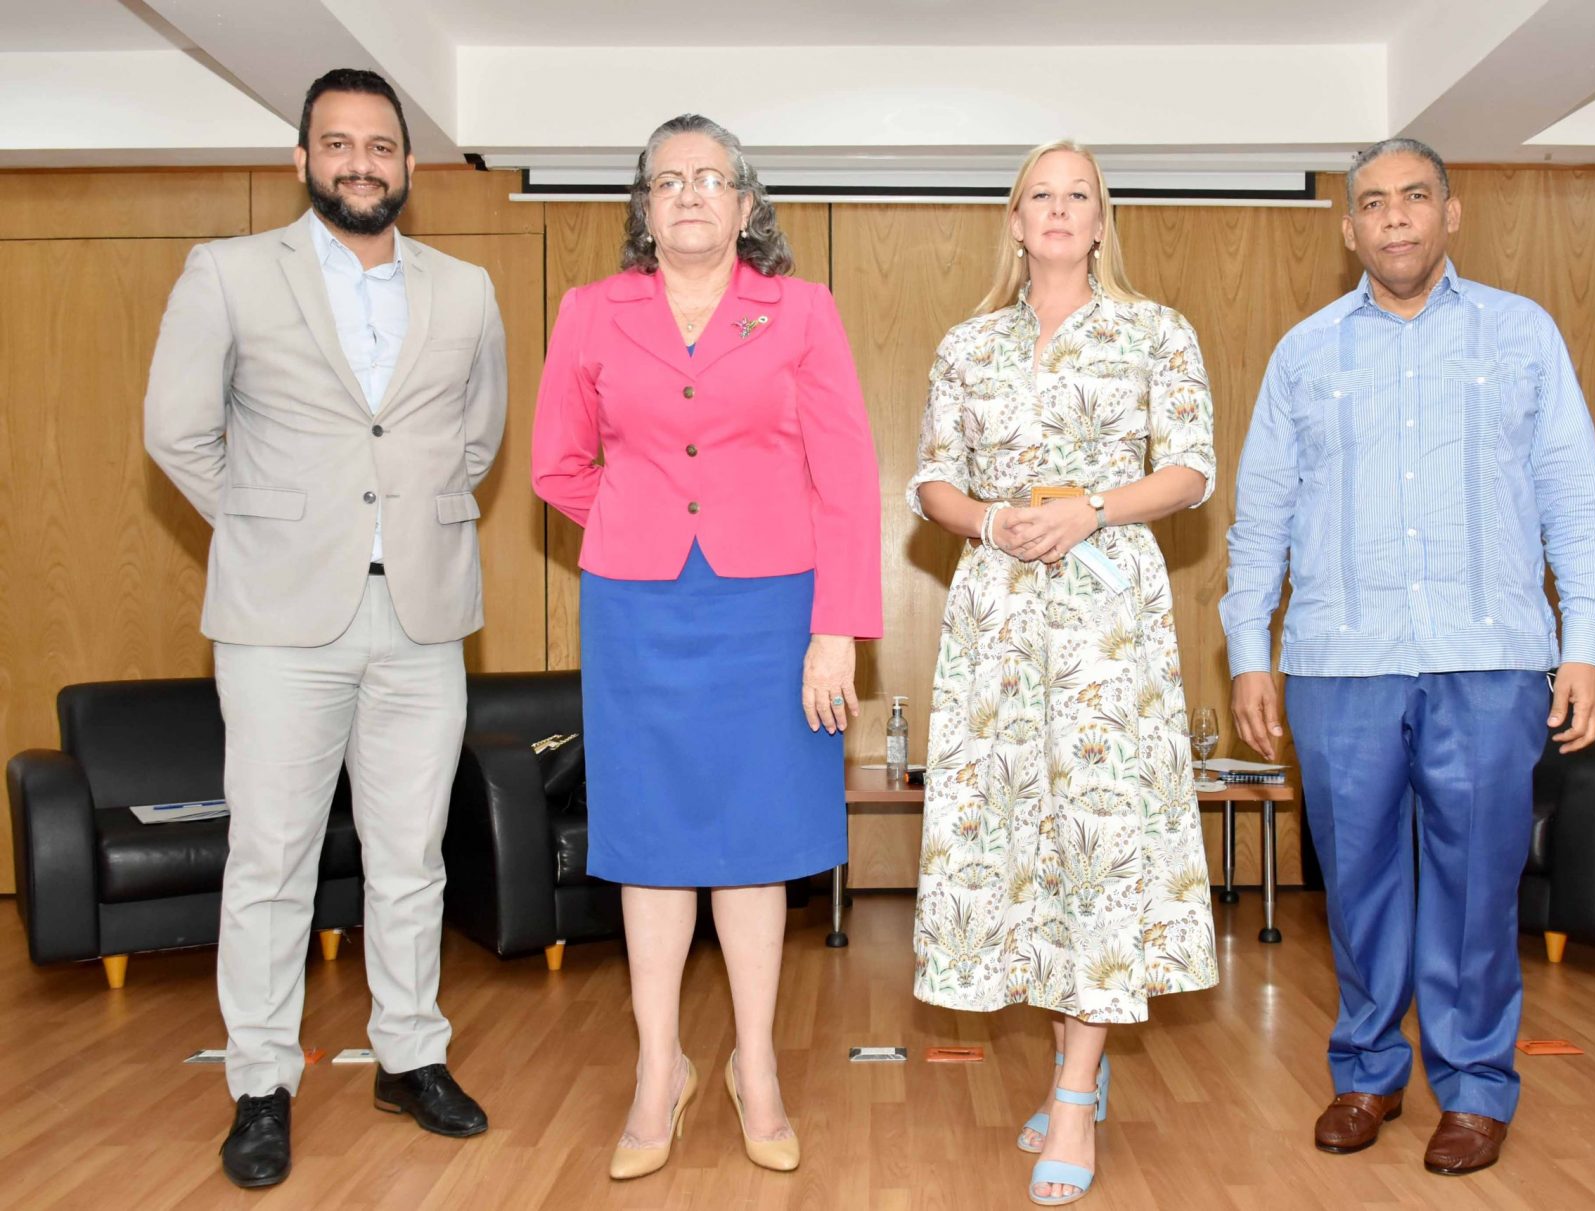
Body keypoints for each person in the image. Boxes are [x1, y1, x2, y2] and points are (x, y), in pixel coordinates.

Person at [1221, 136, 1595, 1176]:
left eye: (1414, 197)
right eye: (1372, 203)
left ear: (1452, 213)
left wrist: (1584, 643)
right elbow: (1260, 518)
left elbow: (1575, 504)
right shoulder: (1304, 353)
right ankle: (1365, 1071)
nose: (1394, 216)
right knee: (1353, 881)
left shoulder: (1523, 335)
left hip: (1490, 658)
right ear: (1349, 227)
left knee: (1476, 881)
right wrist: (1247, 652)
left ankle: (1475, 1086)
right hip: (1338, 661)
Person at [144, 68, 505, 1188]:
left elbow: (474, 442)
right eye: (338, 144)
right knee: (271, 857)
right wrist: (272, 528)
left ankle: (409, 1052)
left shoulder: (469, 288)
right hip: (277, 619)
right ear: (302, 161)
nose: (362, 162)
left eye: (382, 145)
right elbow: (177, 433)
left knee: (410, 855)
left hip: (423, 615)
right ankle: (261, 1080)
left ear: (409, 163)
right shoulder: (228, 273)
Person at [532, 113, 881, 1180]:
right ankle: (658, 1069)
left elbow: (847, 477)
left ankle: (757, 1068)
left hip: (772, 608)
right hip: (638, 608)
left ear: (743, 204)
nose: (689, 194)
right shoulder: (591, 312)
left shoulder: (803, 311)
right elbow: (558, 466)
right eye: (667, 179)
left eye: (710, 178)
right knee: (648, 839)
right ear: (643, 206)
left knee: (757, 837)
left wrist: (837, 629)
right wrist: (644, 516)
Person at [908, 140, 1219, 1207]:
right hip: (994, 612)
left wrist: (1091, 507)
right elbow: (932, 478)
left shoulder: (1154, 330)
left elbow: (1190, 468)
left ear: (1101, 218)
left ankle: (1078, 1091)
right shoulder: (968, 344)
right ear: (1013, 216)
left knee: (1097, 835)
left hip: (1105, 621)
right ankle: (1072, 1064)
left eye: (1076, 195)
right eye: (1039, 194)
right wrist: (992, 517)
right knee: (1022, 839)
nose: (1057, 210)